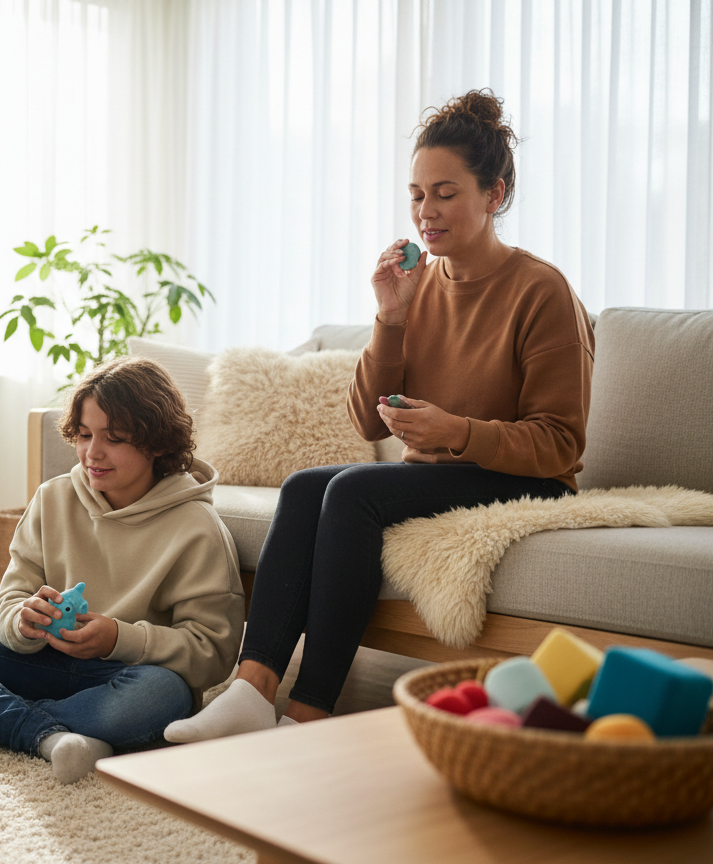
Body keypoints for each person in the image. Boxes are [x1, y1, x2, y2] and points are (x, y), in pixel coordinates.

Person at [165, 88, 594, 743]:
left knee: (354, 491)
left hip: (523, 480)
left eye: (445, 192)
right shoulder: (421, 286)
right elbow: (367, 421)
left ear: (494, 194)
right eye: (417, 194)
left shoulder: (543, 292)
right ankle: (253, 691)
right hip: (442, 473)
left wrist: (457, 432)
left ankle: (311, 712)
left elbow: (560, 444)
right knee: (309, 484)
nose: (427, 210)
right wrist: (391, 315)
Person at [0, 356, 245, 783]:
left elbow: (213, 653)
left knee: (162, 695)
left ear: (156, 442)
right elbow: (10, 596)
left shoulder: (196, 528)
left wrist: (120, 637)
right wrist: (22, 622)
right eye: (83, 435)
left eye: (114, 438)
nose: (91, 453)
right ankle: (54, 733)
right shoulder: (53, 498)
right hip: (41, 663)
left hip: (126, 676)